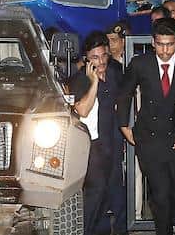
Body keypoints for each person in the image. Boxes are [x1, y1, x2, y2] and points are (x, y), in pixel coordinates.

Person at [117, 19, 175, 235]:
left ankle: (173, 221)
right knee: (161, 194)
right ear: (153, 42)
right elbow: (124, 94)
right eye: (161, 44)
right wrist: (124, 126)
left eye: (170, 45)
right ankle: (166, 229)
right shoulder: (140, 64)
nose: (165, 50)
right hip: (149, 138)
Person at [70, 31, 127, 235]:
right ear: (87, 58)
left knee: (117, 193)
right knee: (95, 194)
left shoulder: (117, 72)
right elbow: (82, 110)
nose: (101, 61)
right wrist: (93, 81)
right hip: (91, 148)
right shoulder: (79, 80)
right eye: (95, 57)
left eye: (104, 56)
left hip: (114, 141)